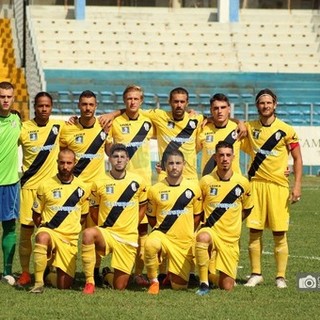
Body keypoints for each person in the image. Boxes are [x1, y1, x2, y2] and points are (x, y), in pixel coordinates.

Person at [242, 88, 302, 289]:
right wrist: (239, 122)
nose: (265, 106)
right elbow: (230, 123)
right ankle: (256, 274)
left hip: (278, 187)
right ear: (257, 106)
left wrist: (297, 185)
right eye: (261, 103)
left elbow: (297, 158)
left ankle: (280, 277)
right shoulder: (250, 127)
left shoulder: (286, 129)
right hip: (256, 185)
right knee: (254, 231)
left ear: (275, 105)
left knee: (279, 233)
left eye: (269, 102)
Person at [81, 144, 147, 294]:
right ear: (110, 159)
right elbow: (93, 210)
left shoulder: (138, 182)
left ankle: (107, 275)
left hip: (128, 237)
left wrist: (131, 225)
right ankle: (90, 282)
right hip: (108, 234)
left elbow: (142, 208)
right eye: (115, 157)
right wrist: (104, 226)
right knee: (88, 233)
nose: (119, 160)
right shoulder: (99, 182)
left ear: (128, 160)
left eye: (122, 157)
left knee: (120, 286)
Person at [106, 85, 154, 287]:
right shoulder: (115, 122)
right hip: (121, 184)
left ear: (141, 101)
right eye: (129, 99)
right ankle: (109, 269)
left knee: (143, 229)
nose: (132, 102)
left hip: (145, 182)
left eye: (136, 99)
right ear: (124, 101)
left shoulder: (150, 120)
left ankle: (138, 272)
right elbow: (108, 148)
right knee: (116, 227)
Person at [17, 92, 66, 287]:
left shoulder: (59, 126)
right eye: (40, 106)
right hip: (29, 188)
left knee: (51, 232)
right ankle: (25, 273)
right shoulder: (23, 128)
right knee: (26, 231)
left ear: (51, 107)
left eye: (47, 106)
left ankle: (51, 268)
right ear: (34, 107)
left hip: (51, 191)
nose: (44, 109)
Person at [60, 90, 108, 284]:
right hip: (73, 190)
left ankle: (94, 271)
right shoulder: (68, 129)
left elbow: (111, 147)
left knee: (94, 233)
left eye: (91, 105)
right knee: (68, 231)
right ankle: (61, 267)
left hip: (96, 191)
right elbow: (60, 155)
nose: (87, 108)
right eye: (84, 104)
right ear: (78, 106)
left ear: (96, 106)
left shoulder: (105, 126)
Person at [29, 148, 91, 293]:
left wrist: (70, 227)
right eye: (62, 162)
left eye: (69, 163)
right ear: (57, 162)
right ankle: (38, 283)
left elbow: (83, 216)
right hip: (51, 232)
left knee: (64, 285)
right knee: (42, 235)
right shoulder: (45, 185)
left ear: (74, 163)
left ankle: (48, 273)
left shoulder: (83, 187)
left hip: (69, 238)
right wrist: (44, 228)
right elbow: (36, 214)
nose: (65, 166)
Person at [195, 141, 253, 295]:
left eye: (228, 155)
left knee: (227, 286)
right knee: (202, 236)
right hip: (212, 232)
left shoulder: (243, 183)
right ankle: (203, 283)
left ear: (234, 157)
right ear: (215, 157)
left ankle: (211, 276)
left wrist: (232, 222)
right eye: (221, 155)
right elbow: (198, 211)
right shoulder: (206, 181)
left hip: (230, 239)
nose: (225, 159)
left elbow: (247, 209)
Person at [144, 149, 203, 295]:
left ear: (183, 165)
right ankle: (154, 281)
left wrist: (187, 231)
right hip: (163, 236)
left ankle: (171, 274)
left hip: (183, 241)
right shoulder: (155, 189)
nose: (174, 167)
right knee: (151, 244)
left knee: (179, 287)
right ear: (165, 165)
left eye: (178, 163)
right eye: (170, 163)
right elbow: (151, 217)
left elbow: (197, 216)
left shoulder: (193, 188)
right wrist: (161, 230)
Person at [0, 81, 21, 281]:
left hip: (10, 183)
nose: (5, 100)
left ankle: (7, 271)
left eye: (8, 96)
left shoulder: (17, 119)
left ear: (13, 98)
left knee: (9, 227)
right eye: (1, 96)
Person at [197, 93, 242, 177]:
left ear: (229, 109)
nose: (220, 111)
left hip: (233, 184)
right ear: (211, 111)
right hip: (209, 182)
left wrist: (240, 122)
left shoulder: (238, 129)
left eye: (223, 107)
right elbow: (191, 151)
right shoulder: (203, 129)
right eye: (216, 108)